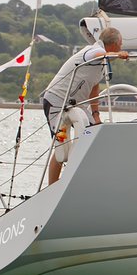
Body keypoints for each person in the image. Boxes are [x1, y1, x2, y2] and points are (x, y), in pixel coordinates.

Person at [40, 26, 128, 184]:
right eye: (120, 44)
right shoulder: (93, 52)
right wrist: (116, 55)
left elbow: (94, 87)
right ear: (115, 43)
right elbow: (95, 54)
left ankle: (85, 180)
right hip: (57, 102)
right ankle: (52, 188)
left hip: (77, 106)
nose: (122, 47)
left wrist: (96, 115)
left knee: (95, 135)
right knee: (62, 146)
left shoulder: (101, 63)